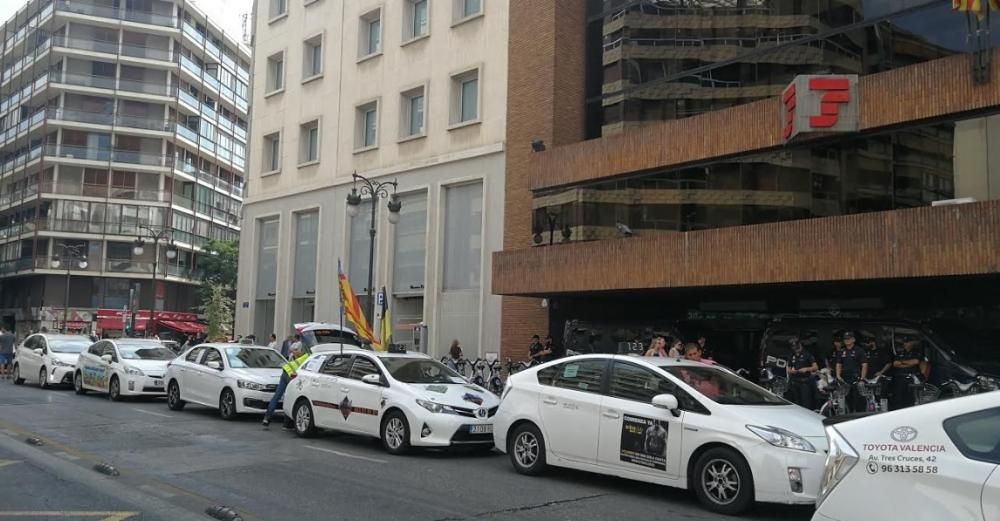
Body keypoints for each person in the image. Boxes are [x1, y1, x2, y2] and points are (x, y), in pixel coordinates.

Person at [263, 340, 312, 428]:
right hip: (292, 376)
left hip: (286, 371)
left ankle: (267, 418)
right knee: (291, 397)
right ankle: (287, 423)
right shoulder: (309, 357)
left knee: (277, 396)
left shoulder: (299, 354)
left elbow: (294, 353)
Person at [835, 331, 869, 413]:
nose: (847, 340)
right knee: (846, 400)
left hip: (856, 378)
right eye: (845, 339)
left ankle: (859, 416)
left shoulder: (859, 350)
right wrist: (838, 376)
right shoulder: (841, 351)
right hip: (845, 379)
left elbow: (864, 365)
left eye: (849, 339)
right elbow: (838, 364)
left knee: (858, 400)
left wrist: (862, 378)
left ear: (853, 339)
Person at [891, 338, 923, 410]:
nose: (905, 344)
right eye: (904, 342)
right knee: (899, 397)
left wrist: (902, 362)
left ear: (912, 343)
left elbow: (915, 362)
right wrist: (909, 363)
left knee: (910, 397)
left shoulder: (916, 352)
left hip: (911, 377)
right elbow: (895, 364)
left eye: (907, 342)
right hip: (900, 378)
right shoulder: (900, 353)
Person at [786, 338, 818, 410]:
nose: (796, 349)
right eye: (794, 348)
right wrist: (791, 371)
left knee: (806, 402)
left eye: (797, 347)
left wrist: (806, 369)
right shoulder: (791, 355)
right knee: (796, 402)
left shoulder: (807, 354)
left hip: (805, 381)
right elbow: (788, 368)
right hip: (794, 380)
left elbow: (815, 367)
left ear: (800, 345)